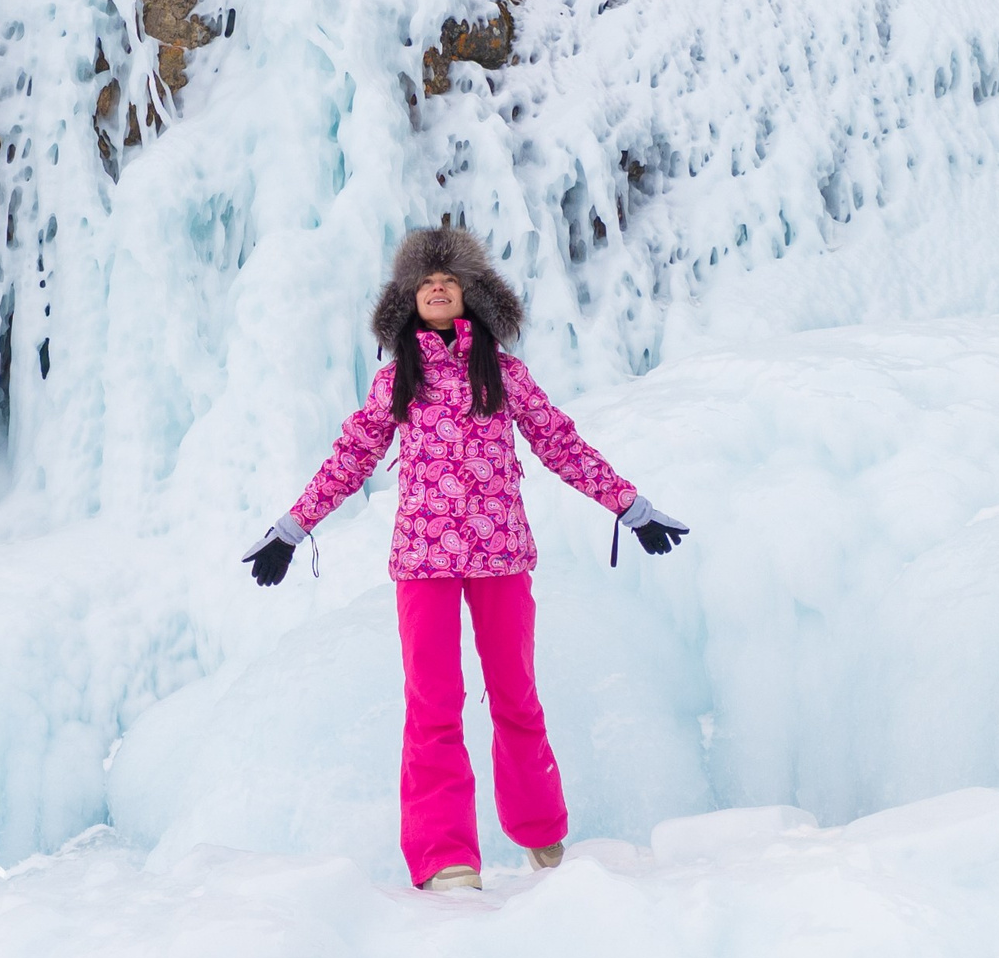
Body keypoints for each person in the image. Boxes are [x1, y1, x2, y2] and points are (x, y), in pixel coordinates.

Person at [244, 226, 688, 892]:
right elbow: (351, 458)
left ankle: (542, 834)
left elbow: (560, 445)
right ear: (409, 301)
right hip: (424, 563)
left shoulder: (505, 374)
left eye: (449, 280)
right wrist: (290, 527)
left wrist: (630, 506)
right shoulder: (399, 380)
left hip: (501, 556)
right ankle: (445, 856)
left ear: (472, 294)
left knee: (515, 697)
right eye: (425, 282)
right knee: (434, 703)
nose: (438, 288)